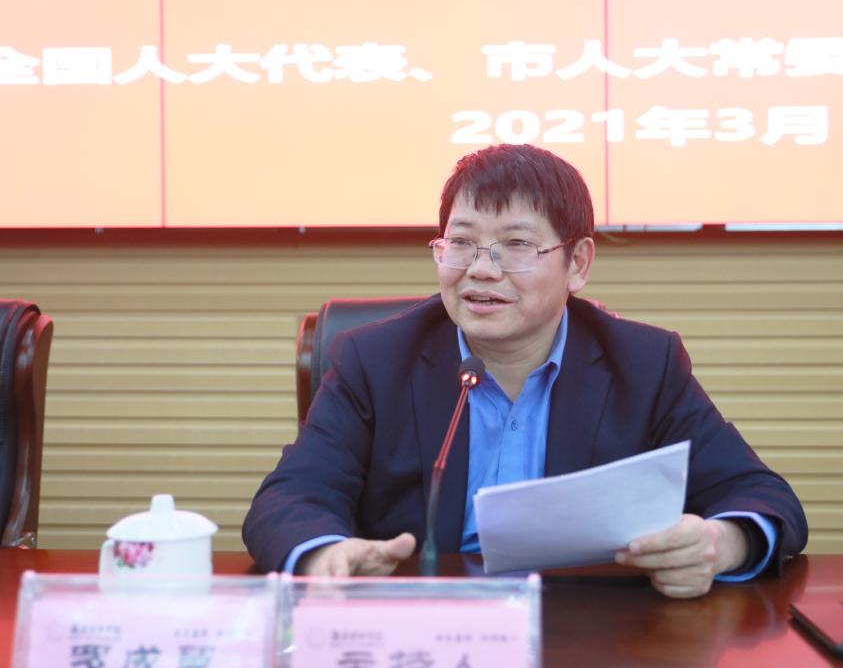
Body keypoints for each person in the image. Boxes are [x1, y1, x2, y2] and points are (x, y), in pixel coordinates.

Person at [243, 144, 807, 599]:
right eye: (461, 243)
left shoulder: (643, 364)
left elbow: (759, 494)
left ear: (577, 263)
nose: (480, 270)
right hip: (422, 628)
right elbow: (290, 498)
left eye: (515, 245)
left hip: (588, 636)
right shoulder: (374, 360)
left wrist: (721, 543)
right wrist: (325, 555)